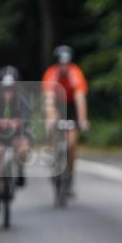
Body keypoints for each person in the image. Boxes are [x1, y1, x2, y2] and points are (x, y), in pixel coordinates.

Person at [42, 46, 89, 194]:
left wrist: (82, 119)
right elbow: (49, 98)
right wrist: (50, 117)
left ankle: (70, 175)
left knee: (71, 143)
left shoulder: (75, 73)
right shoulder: (51, 73)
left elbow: (80, 98)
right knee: (50, 124)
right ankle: (50, 150)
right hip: (56, 103)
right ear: (57, 63)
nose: (64, 67)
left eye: (66, 64)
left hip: (71, 106)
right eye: (61, 64)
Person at [0, 67, 31, 212]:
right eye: (5, 89)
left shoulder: (22, 95)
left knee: (23, 147)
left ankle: (20, 171)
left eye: (11, 89)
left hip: (17, 131)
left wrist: (19, 122)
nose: (8, 92)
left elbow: (26, 112)